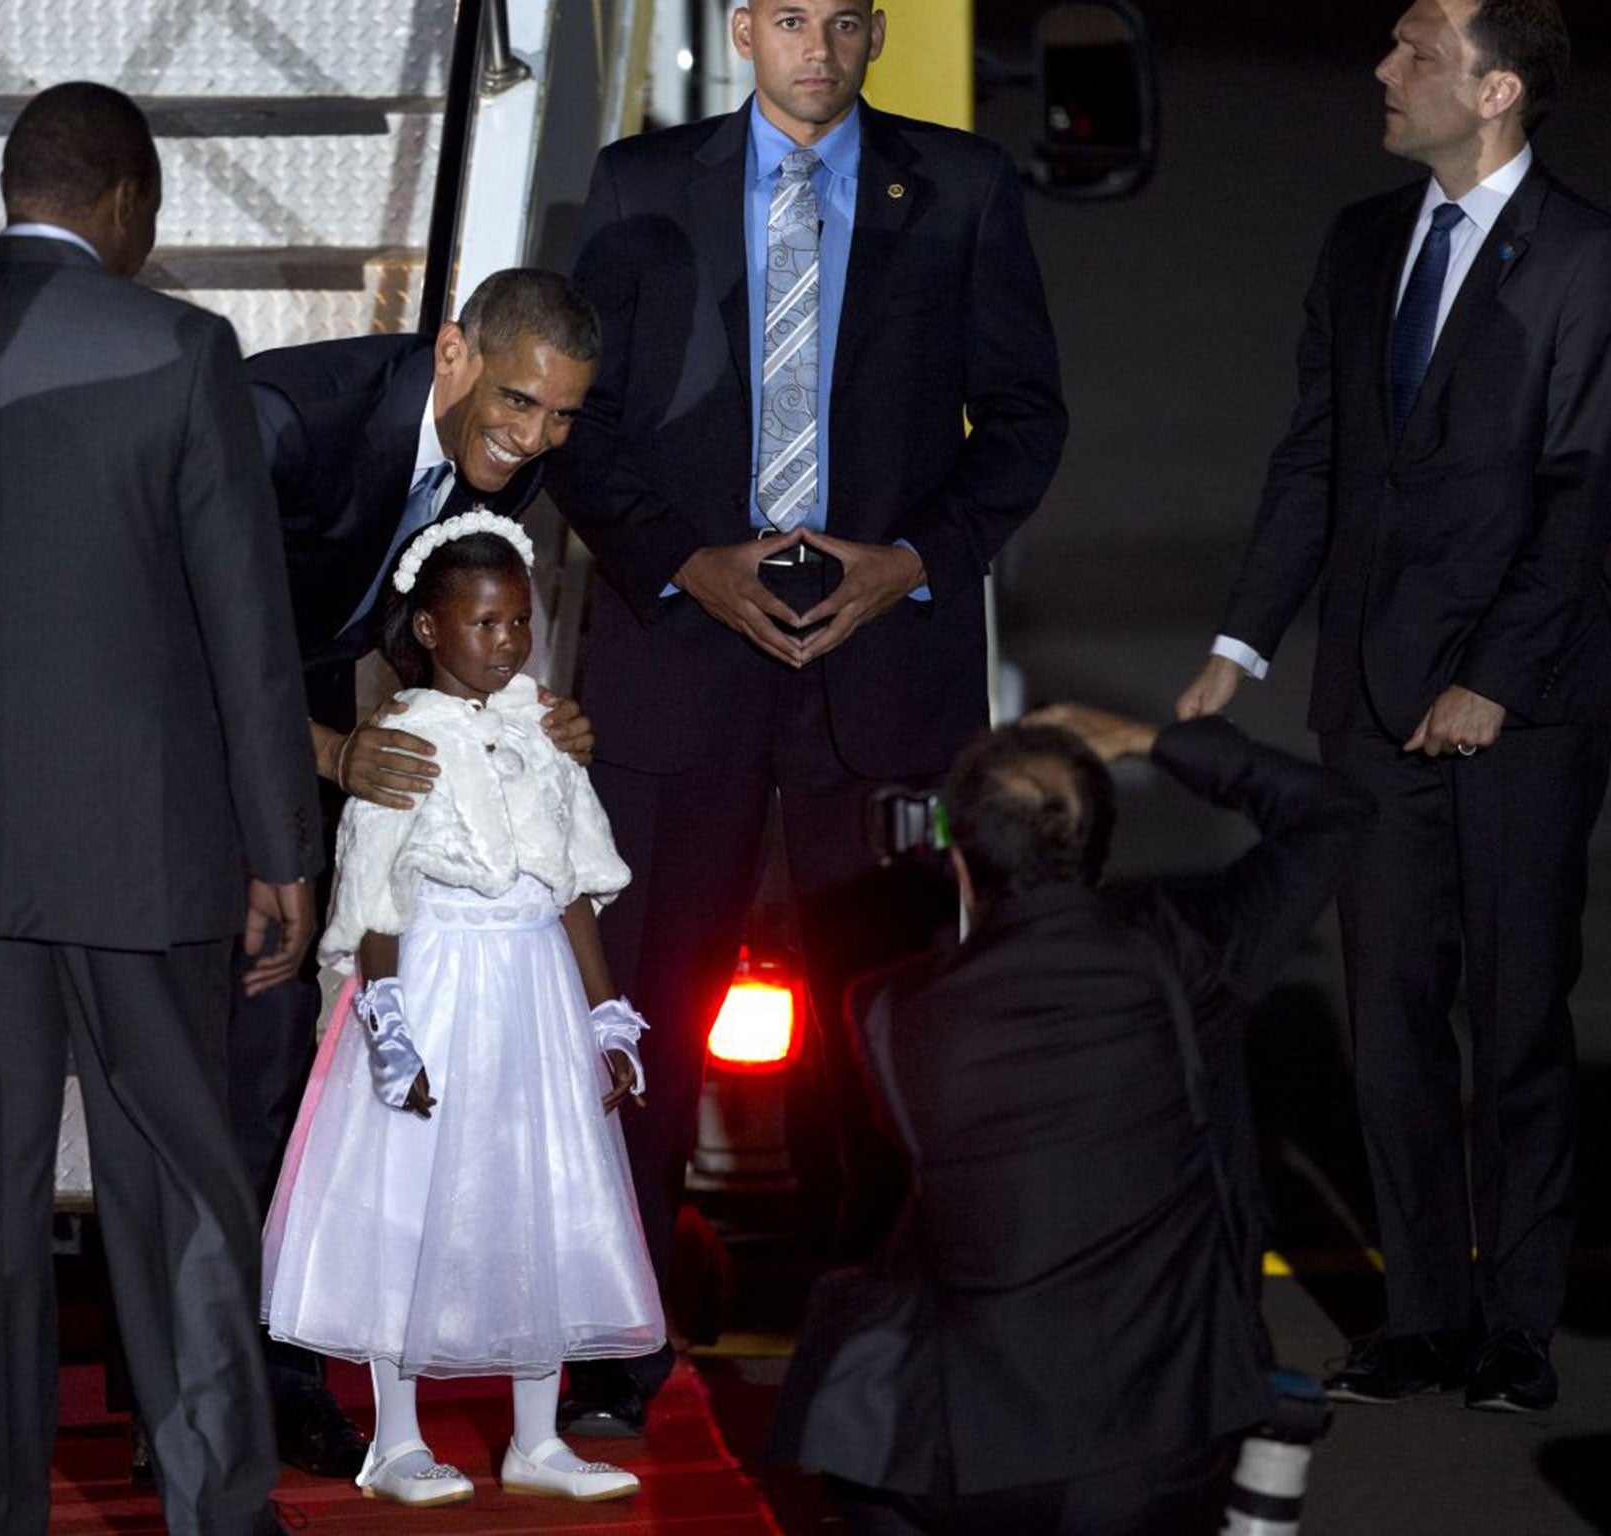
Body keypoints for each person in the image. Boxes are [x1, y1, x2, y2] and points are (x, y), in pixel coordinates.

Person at [0, 82, 319, 1535]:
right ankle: (218, 1510)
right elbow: (243, 626)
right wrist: (282, 849)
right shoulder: (180, 347)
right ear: (127, 204)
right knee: (181, 1195)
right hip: (146, 860)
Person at [547, 0, 1067, 1432]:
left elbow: (1025, 418)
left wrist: (912, 563)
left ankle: (880, 1363)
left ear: (877, 32)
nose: (817, 47)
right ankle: (619, 1352)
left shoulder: (960, 186)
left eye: (844, 22)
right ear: (739, 30)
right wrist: (680, 563)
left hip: (880, 677)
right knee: (638, 1026)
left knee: (880, 1041)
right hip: (678, 666)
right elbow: (579, 424)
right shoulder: (647, 183)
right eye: (788, 19)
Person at [1175, 0, 1611, 1413]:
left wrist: (1495, 678)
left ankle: (1518, 1328)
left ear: (1492, 91)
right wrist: (1241, 644)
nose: (1381, 67)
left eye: (1415, 49)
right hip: (1368, 697)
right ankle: (1423, 1318)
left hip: (1523, 714)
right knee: (1391, 1022)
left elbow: (1583, 494)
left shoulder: (1585, 261)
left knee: (1518, 1017)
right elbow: (1316, 457)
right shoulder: (1364, 244)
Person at [770, 705, 1373, 1535]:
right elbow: (1333, 810)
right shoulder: (1186, 958)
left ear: (959, 859)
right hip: (1154, 1448)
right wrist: (1146, 741)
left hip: (961, 1460)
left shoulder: (886, 1011)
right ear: (1099, 843)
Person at [201, 269, 601, 1476]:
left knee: (281, 1075)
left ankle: (275, 1385)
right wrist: (324, 753)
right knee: (221, 1072)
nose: (534, 438)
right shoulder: (283, 420)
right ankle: (191, 1395)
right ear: (451, 353)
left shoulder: (500, 453)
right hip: (180, 714)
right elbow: (182, 619)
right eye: (520, 403)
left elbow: (418, 601)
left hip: (298, 702)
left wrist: (525, 717)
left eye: (560, 420)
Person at [259, 515, 665, 1505]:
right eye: (482, 624)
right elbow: (376, 895)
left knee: (543, 1199)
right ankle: (395, 1440)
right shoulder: (400, 738)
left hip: (533, 992)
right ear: (431, 631)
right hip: (438, 984)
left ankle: (536, 1436)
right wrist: (388, 1021)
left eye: (518, 622)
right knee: (411, 1203)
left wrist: (606, 1016)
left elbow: (570, 881)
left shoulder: (542, 730)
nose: (505, 642)